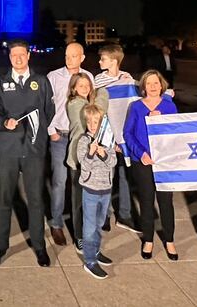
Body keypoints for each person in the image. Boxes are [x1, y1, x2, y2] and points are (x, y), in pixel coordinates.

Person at [0, 40, 55, 267]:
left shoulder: (41, 82)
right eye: (14, 55)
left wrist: (38, 134)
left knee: (35, 199)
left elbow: (48, 111)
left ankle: (40, 247)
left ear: (28, 56)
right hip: (8, 150)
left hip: (34, 149)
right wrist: (4, 122)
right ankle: (1, 246)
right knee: (5, 199)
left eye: (21, 55)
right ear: (9, 57)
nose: (18, 58)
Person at [123, 70, 178, 260]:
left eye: (156, 83)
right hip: (144, 162)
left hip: (164, 163)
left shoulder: (170, 106)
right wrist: (141, 154)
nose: (153, 87)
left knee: (166, 202)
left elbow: (177, 133)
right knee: (146, 202)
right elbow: (128, 134)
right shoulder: (136, 107)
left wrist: (161, 121)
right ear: (143, 87)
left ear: (161, 85)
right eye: (149, 84)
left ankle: (169, 240)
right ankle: (148, 240)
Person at [46, 42, 93, 246]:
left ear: (82, 57)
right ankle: (56, 224)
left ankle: (79, 229)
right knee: (59, 182)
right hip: (60, 137)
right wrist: (51, 132)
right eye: (66, 55)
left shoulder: (88, 77)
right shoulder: (53, 77)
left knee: (78, 184)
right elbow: (46, 106)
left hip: (80, 138)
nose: (69, 59)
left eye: (73, 56)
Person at [92, 44, 140, 234]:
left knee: (124, 176)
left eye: (103, 59)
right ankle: (103, 215)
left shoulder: (127, 78)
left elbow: (141, 93)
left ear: (114, 61)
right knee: (106, 177)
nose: (99, 62)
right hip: (106, 136)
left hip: (125, 137)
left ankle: (125, 214)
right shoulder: (99, 80)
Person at [65, 74, 108, 253]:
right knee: (79, 202)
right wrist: (104, 90)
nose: (84, 87)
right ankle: (80, 237)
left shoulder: (86, 101)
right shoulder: (76, 104)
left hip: (92, 160)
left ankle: (90, 233)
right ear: (74, 88)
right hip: (79, 161)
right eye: (80, 85)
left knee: (91, 201)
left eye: (87, 84)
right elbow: (97, 115)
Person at [77, 103, 117, 279]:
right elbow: (84, 165)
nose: (93, 125)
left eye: (97, 121)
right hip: (91, 190)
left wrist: (103, 153)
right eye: (90, 122)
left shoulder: (108, 140)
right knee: (90, 226)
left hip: (106, 189)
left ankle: (96, 250)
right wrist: (91, 153)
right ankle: (89, 260)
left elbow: (113, 162)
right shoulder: (83, 141)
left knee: (100, 223)